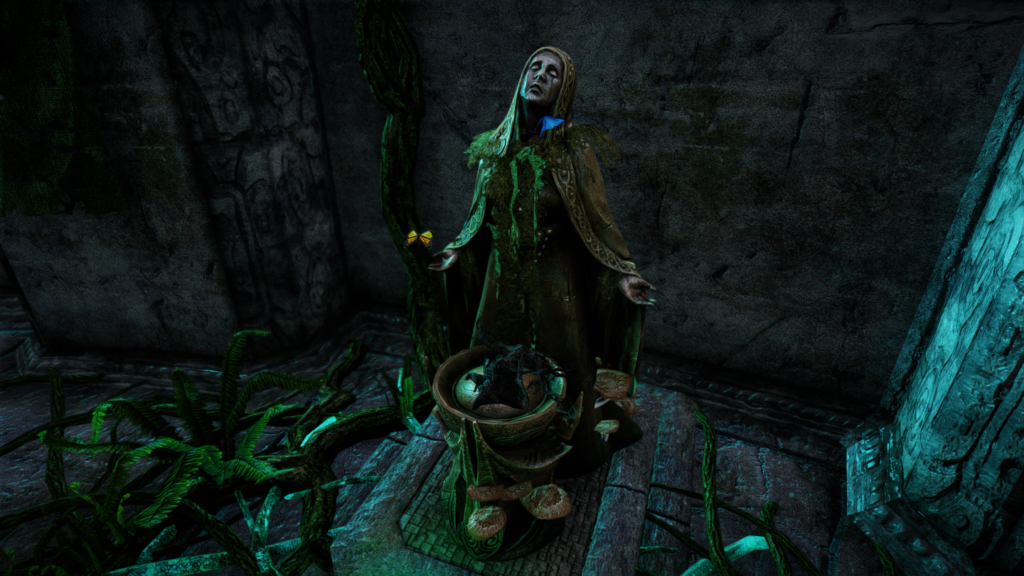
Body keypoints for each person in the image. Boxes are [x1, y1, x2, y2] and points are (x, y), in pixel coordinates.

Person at [430, 46, 655, 477]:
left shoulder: (574, 150)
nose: (540, 76)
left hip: (557, 283)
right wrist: (457, 250)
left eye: (552, 73)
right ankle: (499, 452)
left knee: (563, 370)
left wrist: (623, 274)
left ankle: (565, 458)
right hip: (500, 280)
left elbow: (599, 222)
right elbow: (479, 216)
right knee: (493, 369)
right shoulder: (494, 146)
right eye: (534, 67)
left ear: (563, 90)